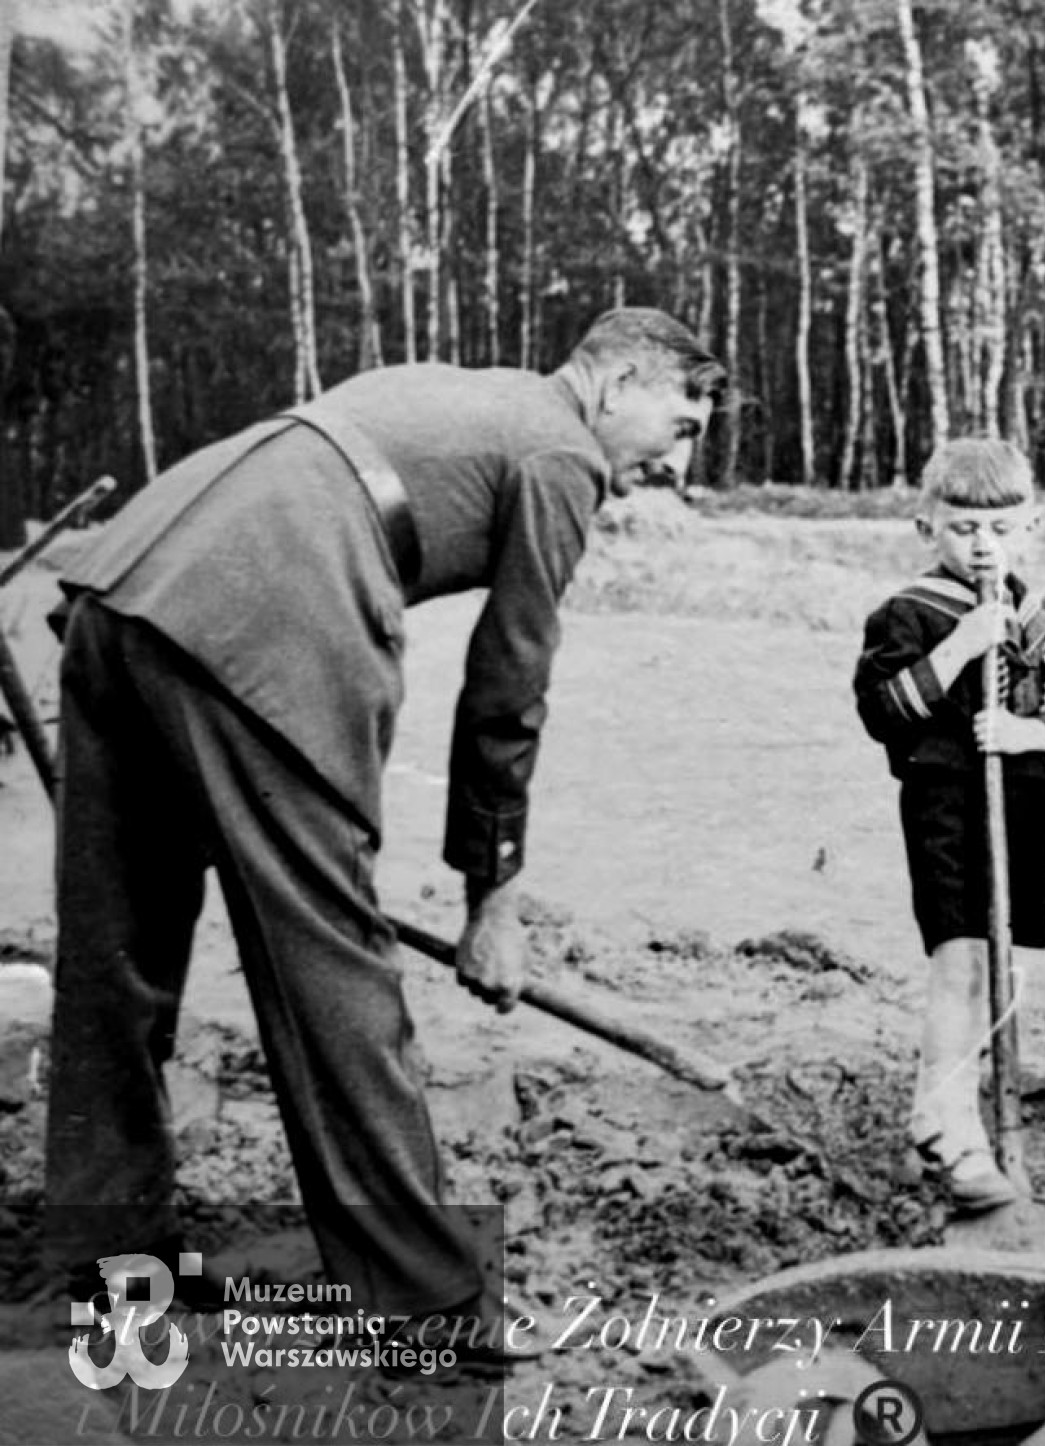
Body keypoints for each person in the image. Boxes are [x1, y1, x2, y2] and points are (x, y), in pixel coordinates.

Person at [45, 309, 727, 1338]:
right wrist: (493, 899)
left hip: (130, 574)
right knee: (331, 957)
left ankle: (104, 1262)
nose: (677, 461)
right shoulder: (560, 447)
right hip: (266, 606)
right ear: (618, 379)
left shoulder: (476, 392)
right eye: (680, 424)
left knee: (118, 952)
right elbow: (508, 688)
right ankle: (425, 1299)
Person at [853, 439, 1045, 1210]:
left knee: (1003, 963)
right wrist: (963, 646)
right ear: (925, 526)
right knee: (960, 959)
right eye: (963, 527)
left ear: (1030, 527)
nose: (983, 545)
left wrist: (1036, 733)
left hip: (1027, 804)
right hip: (947, 804)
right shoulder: (909, 613)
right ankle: (944, 1124)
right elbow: (881, 711)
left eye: (1001, 528)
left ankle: (977, 1120)